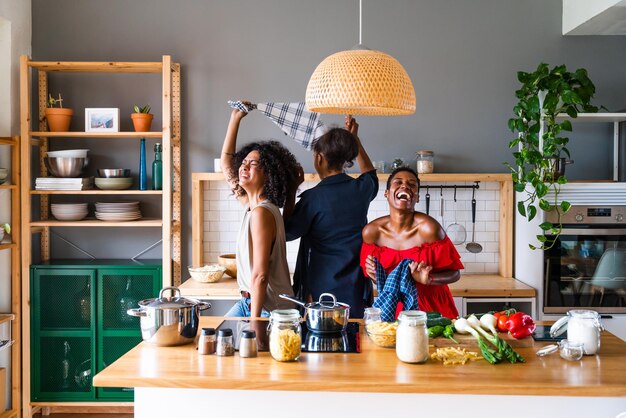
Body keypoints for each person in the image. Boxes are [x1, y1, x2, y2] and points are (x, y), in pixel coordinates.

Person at [283, 116, 378, 318]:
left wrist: (292, 191)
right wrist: (355, 139)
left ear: (319, 158)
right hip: (356, 287)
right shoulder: (361, 189)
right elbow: (371, 174)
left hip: (320, 290)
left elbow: (287, 232)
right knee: (354, 339)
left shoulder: (312, 199)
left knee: (321, 340)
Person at [221, 104, 302, 318]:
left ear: (269, 174)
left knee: (218, 345)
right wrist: (235, 118)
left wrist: (254, 321)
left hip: (267, 310)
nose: (244, 167)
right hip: (252, 302)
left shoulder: (261, 213)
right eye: (244, 162)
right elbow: (227, 164)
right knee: (215, 343)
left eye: (253, 163)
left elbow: (260, 275)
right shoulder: (254, 206)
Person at [360, 166, 463, 319]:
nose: (405, 186)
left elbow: (455, 274)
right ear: (387, 194)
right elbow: (379, 279)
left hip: (431, 308)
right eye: (398, 182)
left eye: (412, 184)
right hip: (392, 308)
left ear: (417, 197)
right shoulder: (372, 232)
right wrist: (375, 274)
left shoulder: (430, 229)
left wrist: (429, 279)